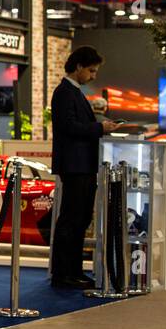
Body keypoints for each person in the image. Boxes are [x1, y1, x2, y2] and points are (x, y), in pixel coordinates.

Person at [50, 46, 119, 290]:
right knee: (71, 219)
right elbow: (69, 127)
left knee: (80, 219)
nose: (93, 75)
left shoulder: (73, 92)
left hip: (82, 165)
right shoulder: (65, 92)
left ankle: (73, 270)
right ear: (78, 66)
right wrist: (100, 128)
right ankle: (63, 273)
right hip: (74, 166)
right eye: (91, 70)